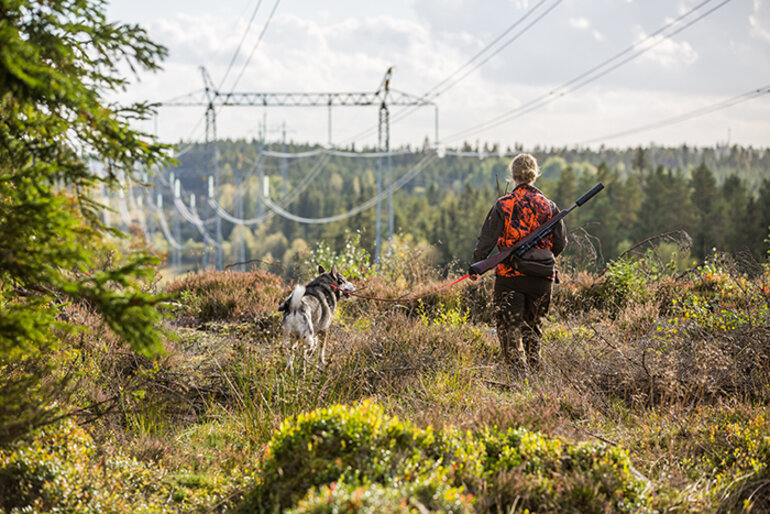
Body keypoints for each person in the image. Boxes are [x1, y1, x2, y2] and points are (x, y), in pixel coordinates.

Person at [469, 153, 566, 372]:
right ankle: (534, 375)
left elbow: (487, 240)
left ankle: (517, 378)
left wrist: (477, 265)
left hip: (510, 277)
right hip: (542, 278)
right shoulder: (549, 206)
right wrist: (538, 260)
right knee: (533, 330)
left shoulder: (504, 204)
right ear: (534, 175)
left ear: (513, 176)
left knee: (508, 329)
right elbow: (560, 243)